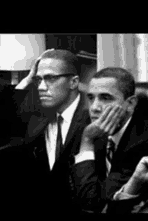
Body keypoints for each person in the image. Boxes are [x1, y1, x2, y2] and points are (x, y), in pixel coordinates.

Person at [0, 49, 91, 214]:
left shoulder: (92, 118)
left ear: (73, 82)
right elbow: (4, 129)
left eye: (50, 78)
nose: (41, 87)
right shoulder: (37, 116)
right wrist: (28, 79)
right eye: (38, 79)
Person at [70, 67, 148, 213]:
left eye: (105, 98)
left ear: (130, 104)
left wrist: (87, 141)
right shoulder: (90, 125)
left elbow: (93, 203)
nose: (94, 108)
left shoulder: (145, 143)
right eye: (91, 98)